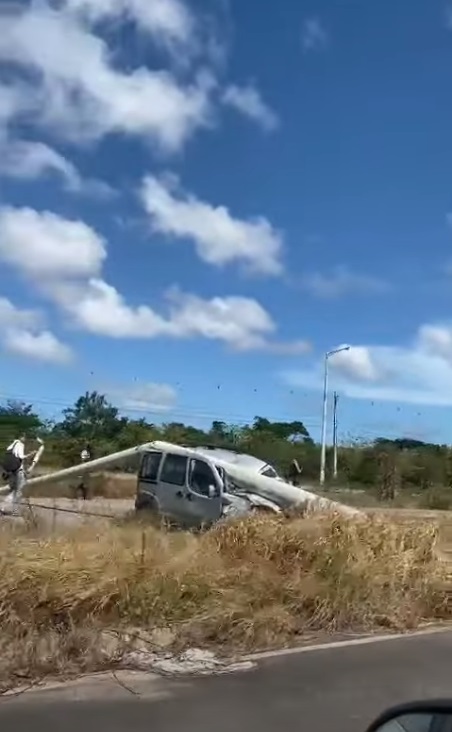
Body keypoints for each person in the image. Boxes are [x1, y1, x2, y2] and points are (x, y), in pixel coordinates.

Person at [1, 435, 36, 516]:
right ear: (20, 437)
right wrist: (31, 454)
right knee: (18, 490)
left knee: (13, 490)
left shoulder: (10, 446)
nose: (25, 439)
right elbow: (21, 457)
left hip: (11, 470)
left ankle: (9, 509)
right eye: (24, 437)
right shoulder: (20, 444)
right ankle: (7, 508)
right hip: (18, 470)